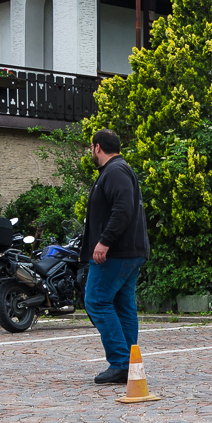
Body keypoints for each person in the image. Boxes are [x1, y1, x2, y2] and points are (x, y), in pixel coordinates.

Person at [81, 129, 149, 385]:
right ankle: (129, 364)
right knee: (122, 305)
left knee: (96, 300)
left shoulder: (115, 171)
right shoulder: (119, 170)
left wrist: (104, 242)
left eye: (91, 148)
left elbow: (123, 209)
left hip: (117, 253)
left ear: (97, 147)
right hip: (129, 252)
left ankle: (120, 362)